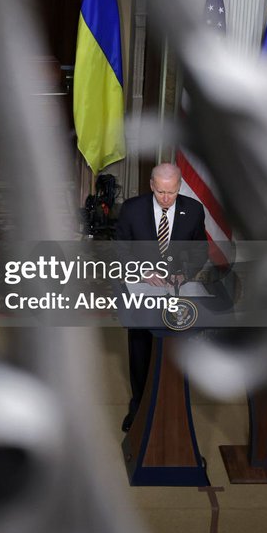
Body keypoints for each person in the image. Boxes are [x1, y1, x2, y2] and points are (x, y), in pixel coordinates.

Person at [114, 162, 207, 432]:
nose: (166, 199)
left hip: (177, 288)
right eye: (161, 192)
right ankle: (139, 407)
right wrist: (142, 271)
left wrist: (185, 274)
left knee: (178, 347)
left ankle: (172, 407)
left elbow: (199, 251)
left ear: (179, 187)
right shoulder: (132, 209)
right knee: (141, 346)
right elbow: (119, 250)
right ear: (152, 185)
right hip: (141, 287)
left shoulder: (194, 210)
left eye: (172, 192)